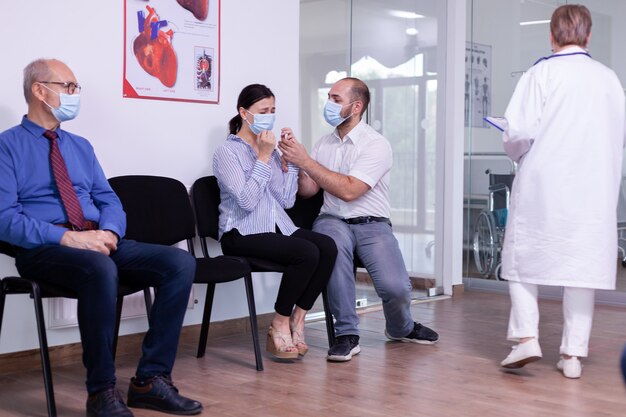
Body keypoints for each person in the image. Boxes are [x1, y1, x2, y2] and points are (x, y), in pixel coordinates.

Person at [0, 58, 203, 416]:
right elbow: (4, 219)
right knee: (100, 269)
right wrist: (69, 240)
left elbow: (107, 198)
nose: (76, 94)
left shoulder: (80, 146)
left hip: (96, 241)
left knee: (179, 262)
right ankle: (101, 392)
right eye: (69, 87)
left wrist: (109, 231)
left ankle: (149, 381)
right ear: (39, 90)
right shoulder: (6, 147)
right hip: (45, 248)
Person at [497, 5, 626, 379]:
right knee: (581, 268)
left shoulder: (541, 73)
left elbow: (518, 133)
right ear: (588, 36)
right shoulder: (609, 79)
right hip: (593, 190)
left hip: (544, 182)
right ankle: (572, 355)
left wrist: (516, 149)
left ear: (551, 36)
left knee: (520, 261)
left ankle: (525, 338)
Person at [278, 77, 439, 362]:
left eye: (335, 99)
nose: (328, 104)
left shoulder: (376, 145)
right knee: (333, 253)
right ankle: (346, 335)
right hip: (331, 220)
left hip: (372, 223)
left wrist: (306, 162)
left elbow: (351, 190)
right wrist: (293, 163)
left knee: (396, 288)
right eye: (328, 96)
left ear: (356, 106)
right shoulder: (323, 143)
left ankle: (401, 327)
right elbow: (308, 191)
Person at [213, 83, 337, 360]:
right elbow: (246, 201)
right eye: (263, 111)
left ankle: (298, 317)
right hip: (241, 233)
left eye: (273, 110)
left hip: (277, 227)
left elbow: (285, 201)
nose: (270, 116)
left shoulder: (272, 151)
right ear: (244, 113)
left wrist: (291, 160)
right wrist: (264, 156)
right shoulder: (227, 153)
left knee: (327, 246)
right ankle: (279, 321)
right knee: (305, 253)